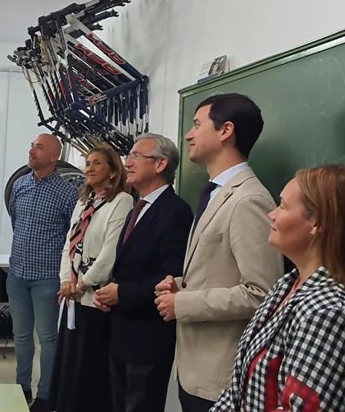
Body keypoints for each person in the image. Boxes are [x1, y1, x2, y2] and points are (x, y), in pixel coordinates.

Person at [212, 164, 345, 410]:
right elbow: (239, 391)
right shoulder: (286, 286)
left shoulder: (331, 314)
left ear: (317, 223)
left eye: (283, 206)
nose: (271, 214)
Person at [154, 93, 283, 412]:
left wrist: (183, 303)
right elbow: (220, 271)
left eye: (197, 124)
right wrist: (181, 286)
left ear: (226, 130)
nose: (188, 134)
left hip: (221, 377)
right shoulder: (215, 192)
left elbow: (262, 293)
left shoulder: (248, 199)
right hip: (194, 368)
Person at [93, 133, 193, 412]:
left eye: (137, 156)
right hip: (122, 330)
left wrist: (121, 293)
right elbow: (132, 264)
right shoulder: (138, 207)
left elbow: (173, 278)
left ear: (161, 164)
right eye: (129, 155)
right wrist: (109, 290)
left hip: (148, 337)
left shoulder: (175, 212)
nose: (128, 162)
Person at [50, 146, 133, 412]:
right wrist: (66, 280)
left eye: (97, 163)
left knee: (89, 370)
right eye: (87, 163)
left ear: (112, 170)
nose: (89, 168)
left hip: (93, 298)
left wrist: (81, 284)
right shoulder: (83, 201)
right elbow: (69, 245)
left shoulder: (121, 201)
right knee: (68, 367)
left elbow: (110, 253)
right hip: (72, 296)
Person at [8, 134, 78, 412]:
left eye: (39, 147)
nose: (32, 150)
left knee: (48, 338)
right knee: (21, 335)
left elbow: (73, 236)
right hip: (17, 274)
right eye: (31, 145)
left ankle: (46, 395)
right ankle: (21, 387)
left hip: (47, 277)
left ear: (53, 157)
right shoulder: (20, 186)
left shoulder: (67, 192)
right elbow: (17, 221)